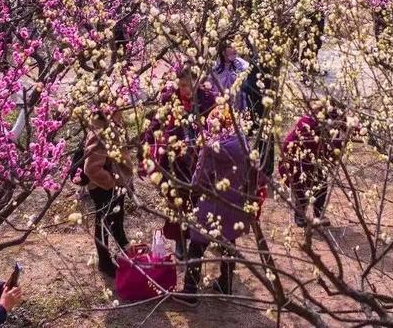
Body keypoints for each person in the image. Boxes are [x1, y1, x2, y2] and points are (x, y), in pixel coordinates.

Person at [180, 108, 262, 305]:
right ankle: (225, 284)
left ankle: (190, 291)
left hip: (212, 204)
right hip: (235, 202)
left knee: (197, 245)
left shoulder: (211, 148)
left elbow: (198, 179)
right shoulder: (244, 143)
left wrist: (191, 192)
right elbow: (253, 174)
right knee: (228, 243)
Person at [142, 66, 217, 257]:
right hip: (174, 160)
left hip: (200, 160)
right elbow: (156, 124)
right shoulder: (170, 98)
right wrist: (145, 147)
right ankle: (180, 241)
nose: (188, 90)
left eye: (192, 85)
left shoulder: (209, 99)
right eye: (183, 85)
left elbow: (218, 126)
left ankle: (198, 240)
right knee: (177, 202)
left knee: (199, 202)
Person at [280, 100, 349, 227]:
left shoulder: (331, 127)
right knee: (301, 185)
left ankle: (319, 213)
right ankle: (300, 215)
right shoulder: (307, 125)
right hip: (296, 159)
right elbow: (325, 150)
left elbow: (336, 147)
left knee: (321, 184)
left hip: (315, 160)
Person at [83, 115, 133, 277]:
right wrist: (111, 182)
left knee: (117, 217)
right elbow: (91, 168)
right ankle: (104, 262)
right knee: (103, 223)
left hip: (116, 183)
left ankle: (125, 250)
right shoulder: (101, 130)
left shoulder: (114, 121)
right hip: (103, 186)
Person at [210, 45, 249, 111]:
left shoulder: (241, 65)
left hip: (237, 104)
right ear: (223, 52)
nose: (234, 49)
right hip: (220, 103)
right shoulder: (215, 67)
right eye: (230, 47)